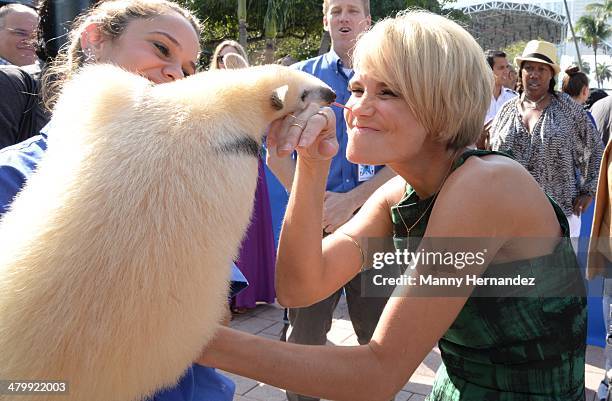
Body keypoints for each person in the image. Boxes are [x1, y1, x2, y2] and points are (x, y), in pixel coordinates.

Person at [199, 11, 587, 401]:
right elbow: (299, 287)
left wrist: (186, 340)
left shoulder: (485, 185)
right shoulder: (401, 191)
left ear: (443, 105)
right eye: (356, 89)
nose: (358, 108)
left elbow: (377, 375)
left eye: (387, 92)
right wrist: (313, 165)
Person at [0, 1, 235, 400]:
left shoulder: (189, 180)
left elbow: (216, 320)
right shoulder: (12, 176)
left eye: (188, 68)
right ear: (95, 40)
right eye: (162, 49)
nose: (176, 73)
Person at [265, 1, 395, 400]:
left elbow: (405, 161)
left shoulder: (395, 79)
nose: (344, 18)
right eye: (336, 10)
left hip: (374, 232)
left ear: (367, 21)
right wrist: (316, 207)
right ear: (325, 20)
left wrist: (354, 204)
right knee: (303, 339)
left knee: (378, 340)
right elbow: (272, 152)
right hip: (314, 233)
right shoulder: (295, 80)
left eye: (352, 10)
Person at [490, 40, 603, 239]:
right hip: (511, 217)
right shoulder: (505, 111)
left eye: (542, 69)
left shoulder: (568, 109)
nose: (534, 74)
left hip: (559, 216)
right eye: (529, 68)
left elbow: (595, 150)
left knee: (558, 270)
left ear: (551, 74)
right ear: (520, 72)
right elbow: (492, 156)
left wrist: (588, 191)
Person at [209, 39, 276, 314]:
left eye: (234, 57)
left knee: (251, 229)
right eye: (223, 58)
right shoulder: (208, 92)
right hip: (219, 169)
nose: (228, 62)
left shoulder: (255, 94)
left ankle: (251, 293)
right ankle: (227, 296)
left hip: (250, 165)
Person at [484, 50, 516, 124]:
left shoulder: (514, 98)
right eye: (501, 68)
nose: (506, 71)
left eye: (507, 67)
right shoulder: (475, 100)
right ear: (488, 70)